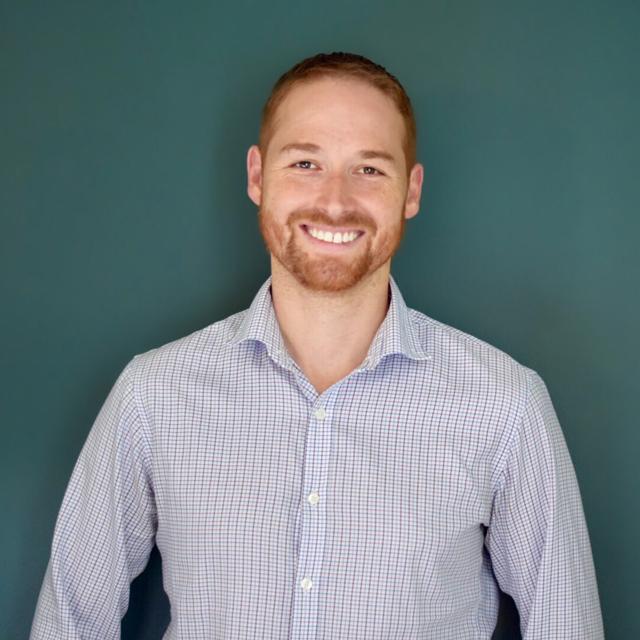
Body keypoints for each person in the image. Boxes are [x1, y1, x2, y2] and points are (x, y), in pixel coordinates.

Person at [31, 51, 604, 639]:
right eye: (306, 162)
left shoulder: (504, 405)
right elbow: (68, 622)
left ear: (412, 190)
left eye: (370, 169)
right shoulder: (153, 395)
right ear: (257, 176)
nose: (335, 201)